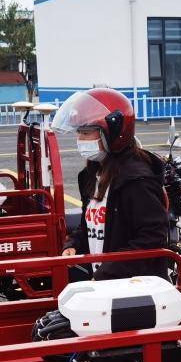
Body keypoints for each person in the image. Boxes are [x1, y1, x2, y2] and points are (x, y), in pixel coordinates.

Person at [53, 88, 170, 280]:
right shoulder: (91, 175)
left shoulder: (137, 181)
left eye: (86, 133)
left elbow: (151, 238)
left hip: (134, 287)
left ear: (114, 133)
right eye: (79, 133)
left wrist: (108, 273)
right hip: (105, 280)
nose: (79, 140)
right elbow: (90, 226)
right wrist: (73, 244)